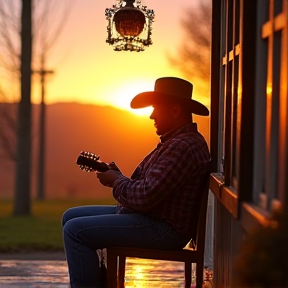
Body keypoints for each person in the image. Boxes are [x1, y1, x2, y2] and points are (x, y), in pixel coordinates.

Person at [62, 77, 210, 288]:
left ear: (175, 110)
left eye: (156, 108)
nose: (151, 115)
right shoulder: (176, 142)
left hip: (164, 228)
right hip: (152, 216)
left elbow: (145, 196)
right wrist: (118, 177)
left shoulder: (182, 147)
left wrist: (116, 182)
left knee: (75, 231)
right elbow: (147, 187)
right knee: (70, 216)